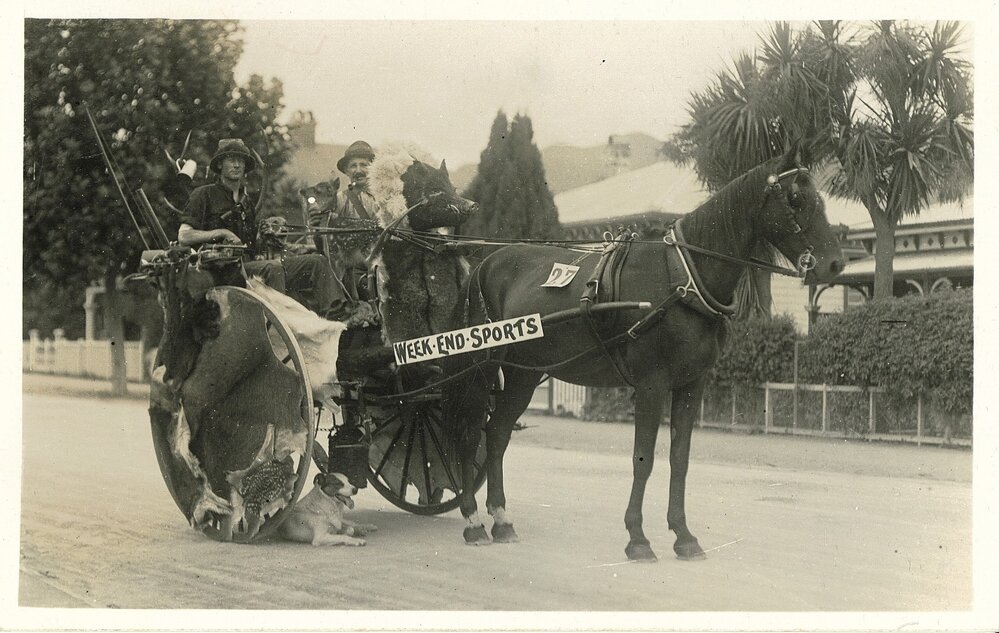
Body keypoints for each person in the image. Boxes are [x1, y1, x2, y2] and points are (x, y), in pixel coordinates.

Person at [178, 138, 339, 316]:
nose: (237, 165)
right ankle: (283, 325)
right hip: (224, 271)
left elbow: (254, 246)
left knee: (317, 262)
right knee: (273, 268)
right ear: (220, 166)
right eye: (231, 159)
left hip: (251, 265)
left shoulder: (246, 202)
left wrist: (269, 232)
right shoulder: (203, 194)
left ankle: (338, 319)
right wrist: (221, 232)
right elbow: (184, 236)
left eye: (241, 161)